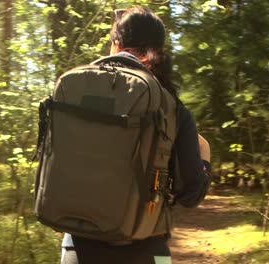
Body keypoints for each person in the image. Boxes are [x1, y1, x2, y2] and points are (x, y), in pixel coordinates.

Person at [60, 6, 212, 264]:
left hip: (76, 250)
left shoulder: (77, 94)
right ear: (159, 51)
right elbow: (190, 194)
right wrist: (205, 154)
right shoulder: (171, 107)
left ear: (116, 45)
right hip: (146, 250)